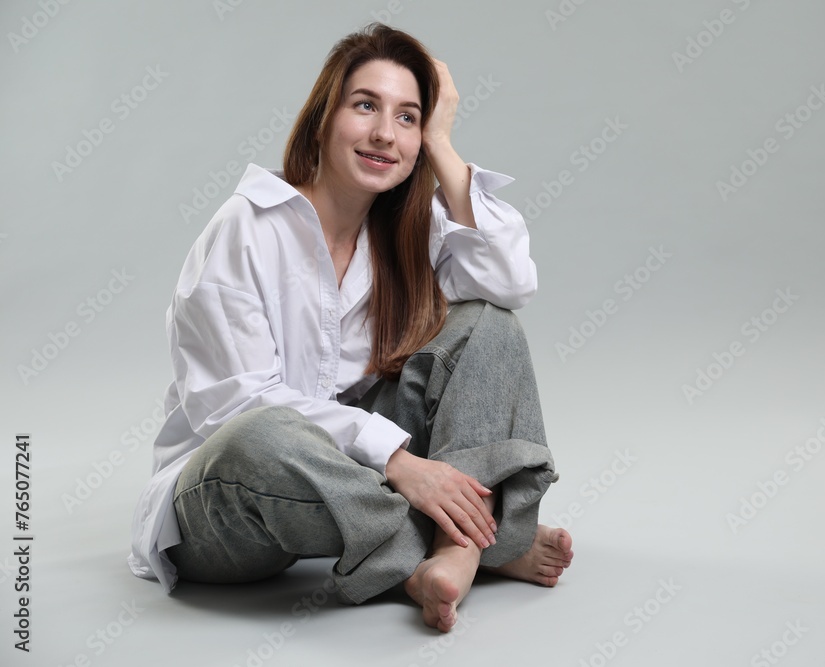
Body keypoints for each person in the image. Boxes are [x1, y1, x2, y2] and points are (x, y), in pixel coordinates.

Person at [127, 22, 573, 632]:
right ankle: (466, 542)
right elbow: (232, 408)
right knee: (262, 434)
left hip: (343, 481)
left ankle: (459, 543)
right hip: (229, 503)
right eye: (366, 106)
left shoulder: (403, 234)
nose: (385, 134)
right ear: (324, 116)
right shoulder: (248, 226)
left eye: (409, 117)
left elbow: (510, 281)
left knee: (486, 324)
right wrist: (398, 461)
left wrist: (442, 141)